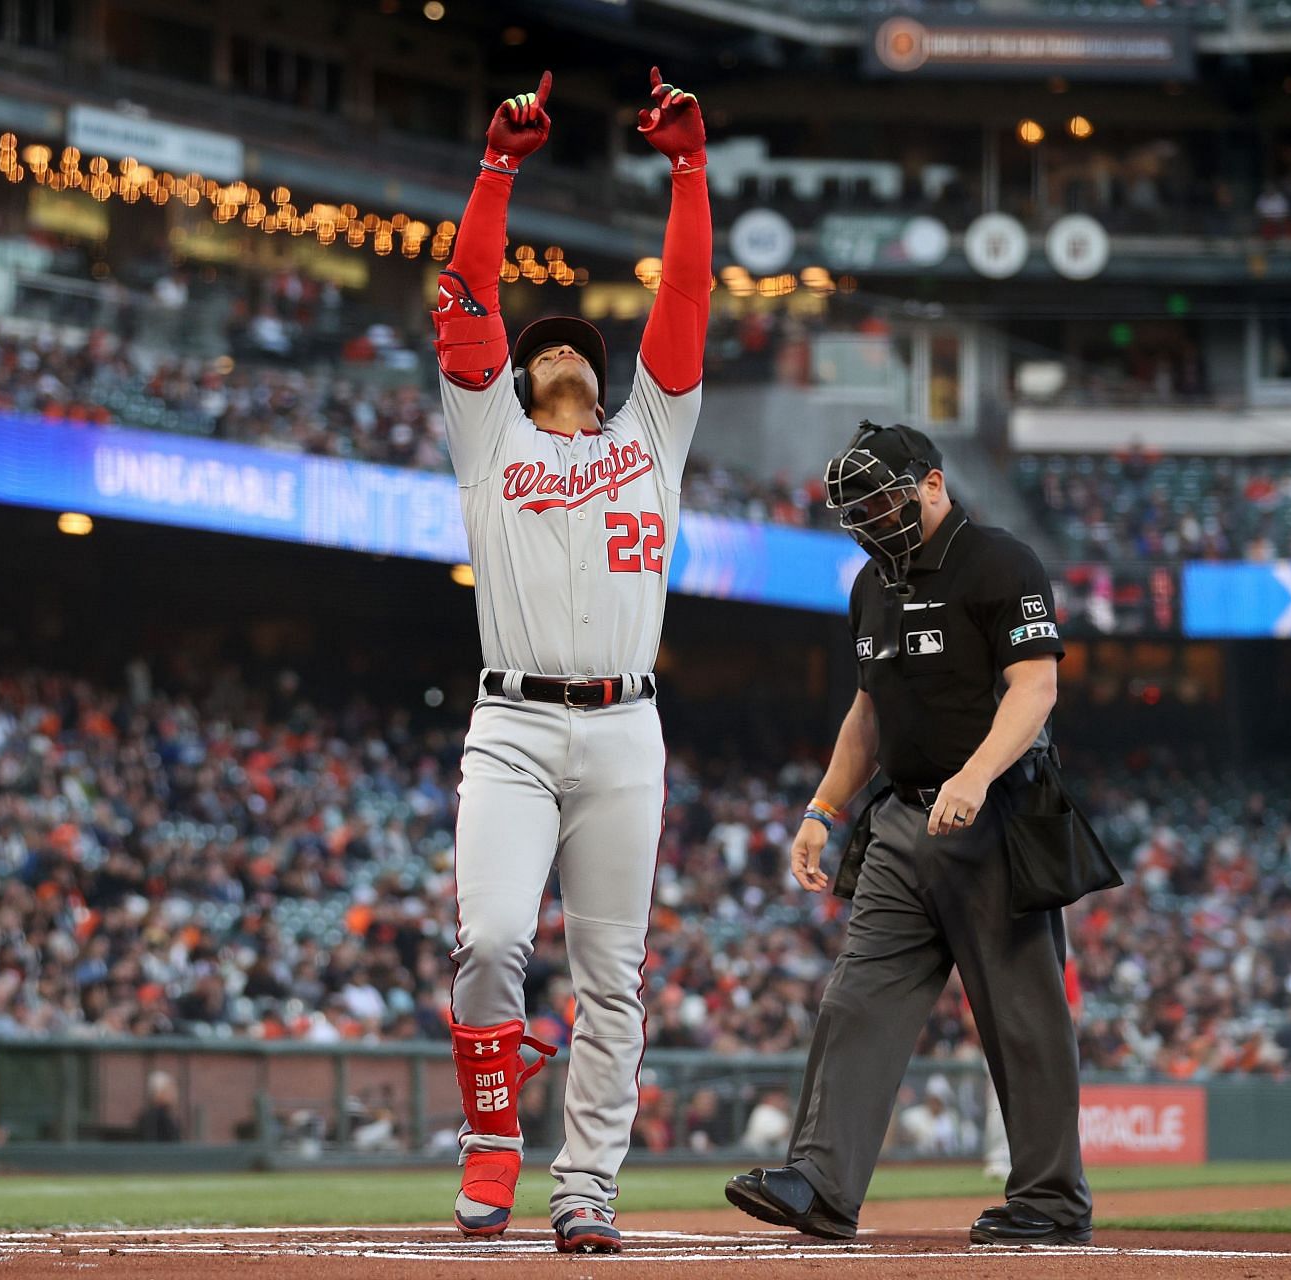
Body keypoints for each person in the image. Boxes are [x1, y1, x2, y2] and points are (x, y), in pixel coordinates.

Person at [431, 67, 710, 1254]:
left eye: (573, 349)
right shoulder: (488, 432)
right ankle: (491, 1135)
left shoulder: (651, 434)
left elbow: (687, 296)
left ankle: (585, 1181)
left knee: (613, 978)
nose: (555, 354)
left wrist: (688, 171)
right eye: (535, 347)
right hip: (512, 724)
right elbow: (465, 292)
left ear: (598, 379)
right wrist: (498, 169)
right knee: (491, 938)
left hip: (625, 728)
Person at [725, 422, 1093, 1246]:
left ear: (933, 484)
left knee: (1022, 1016)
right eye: (858, 506)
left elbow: (1034, 688)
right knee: (856, 998)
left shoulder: (1001, 561)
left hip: (998, 812)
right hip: (899, 819)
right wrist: (822, 810)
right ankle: (821, 1184)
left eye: (885, 497)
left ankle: (1052, 1200)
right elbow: (867, 714)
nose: (871, 516)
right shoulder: (869, 585)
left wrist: (975, 776)